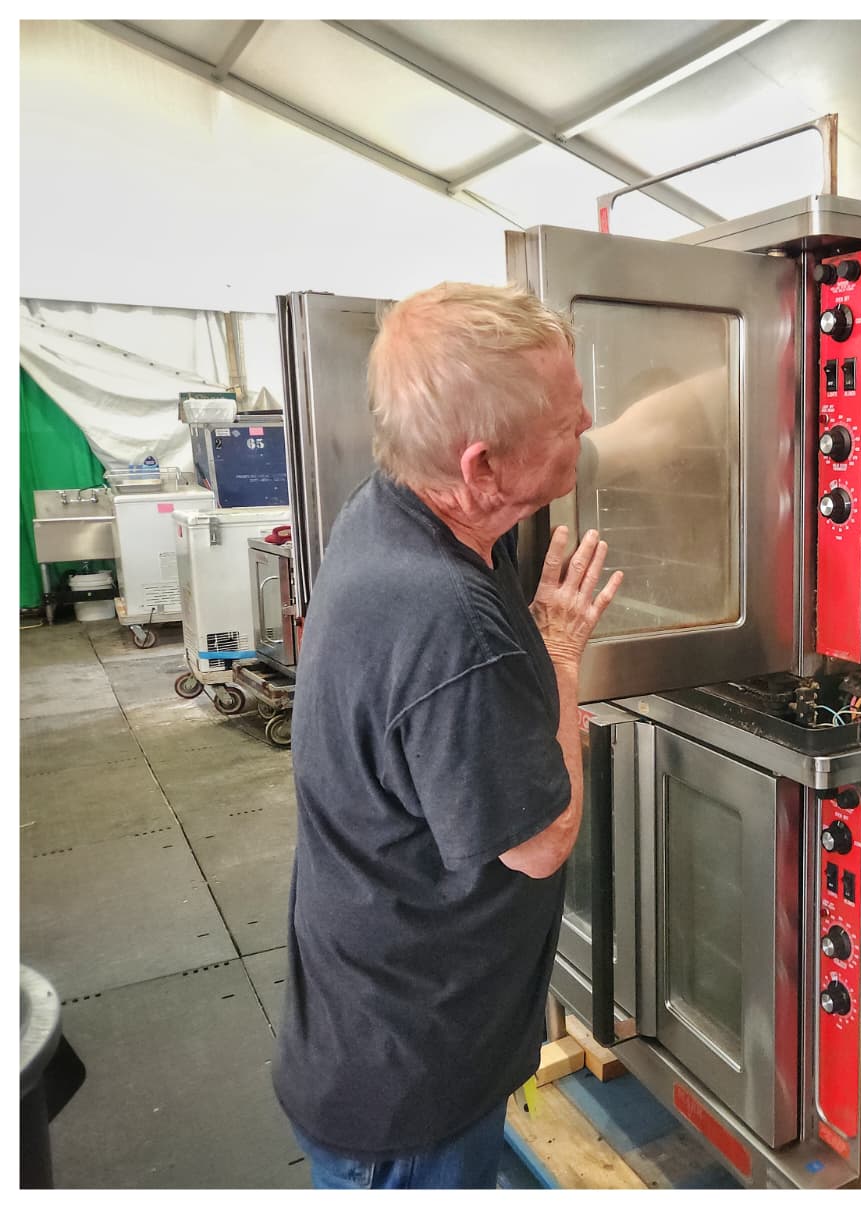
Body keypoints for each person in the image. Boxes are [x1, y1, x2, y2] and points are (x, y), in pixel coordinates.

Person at [273, 282, 623, 1189]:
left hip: (379, 1020)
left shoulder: (398, 510)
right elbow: (541, 843)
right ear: (482, 466)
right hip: (407, 1091)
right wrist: (561, 652)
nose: (588, 420)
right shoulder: (444, 616)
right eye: (565, 418)